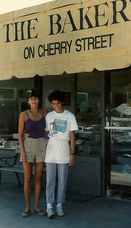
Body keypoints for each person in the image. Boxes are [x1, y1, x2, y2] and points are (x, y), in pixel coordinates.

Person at [45, 90, 78, 218]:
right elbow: (45, 131)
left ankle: (59, 205)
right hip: (51, 149)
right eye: (53, 104)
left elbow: (72, 136)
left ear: (62, 102)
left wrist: (72, 153)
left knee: (62, 180)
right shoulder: (49, 116)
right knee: (50, 180)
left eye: (58, 103)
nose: (56, 106)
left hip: (64, 149)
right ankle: (49, 206)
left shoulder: (70, 116)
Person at [19, 88, 48, 218]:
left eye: (35, 98)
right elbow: (20, 135)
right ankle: (27, 207)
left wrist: (43, 135)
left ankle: (37, 206)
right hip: (28, 146)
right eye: (31, 99)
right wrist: (22, 152)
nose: (34, 101)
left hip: (41, 145)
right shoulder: (23, 115)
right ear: (28, 101)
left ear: (39, 100)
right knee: (27, 179)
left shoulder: (45, 113)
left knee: (38, 178)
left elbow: (48, 128)